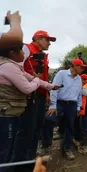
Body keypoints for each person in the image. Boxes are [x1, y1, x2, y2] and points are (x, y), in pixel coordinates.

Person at [0, 45, 58, 172]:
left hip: (12, 113)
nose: (24, 53)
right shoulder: (8, 67)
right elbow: (27, 87)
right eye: (21, 50)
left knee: (12, 145)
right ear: (12, 53)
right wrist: (37, 80)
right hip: (6, 115)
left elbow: (31, 78)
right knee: (6, 150)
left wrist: (52, 86)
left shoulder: (14, 67)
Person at [18, 30, 57, 160]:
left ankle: (31, 156)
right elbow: (17, 70)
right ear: (38, 38)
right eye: (47, 40)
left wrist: (46, 94)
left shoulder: (42, 55)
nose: (49, 43)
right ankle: (23, 160)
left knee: (37, 127)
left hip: (40, 96)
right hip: (29, 97)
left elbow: (43, 78)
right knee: (27, 129)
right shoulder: (26, 49)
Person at [46, 58, 86, 160]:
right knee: (49, 119)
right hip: (60, 103)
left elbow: (79, 94)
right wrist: (53, 105)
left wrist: (78, 107)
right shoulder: (61, 74)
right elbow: (54, 89)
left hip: (72, 105)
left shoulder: (79, 79)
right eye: (81, 67)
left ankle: (67, 148)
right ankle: (45, 144)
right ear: (74, 66)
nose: (82, 69)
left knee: (70, 126)